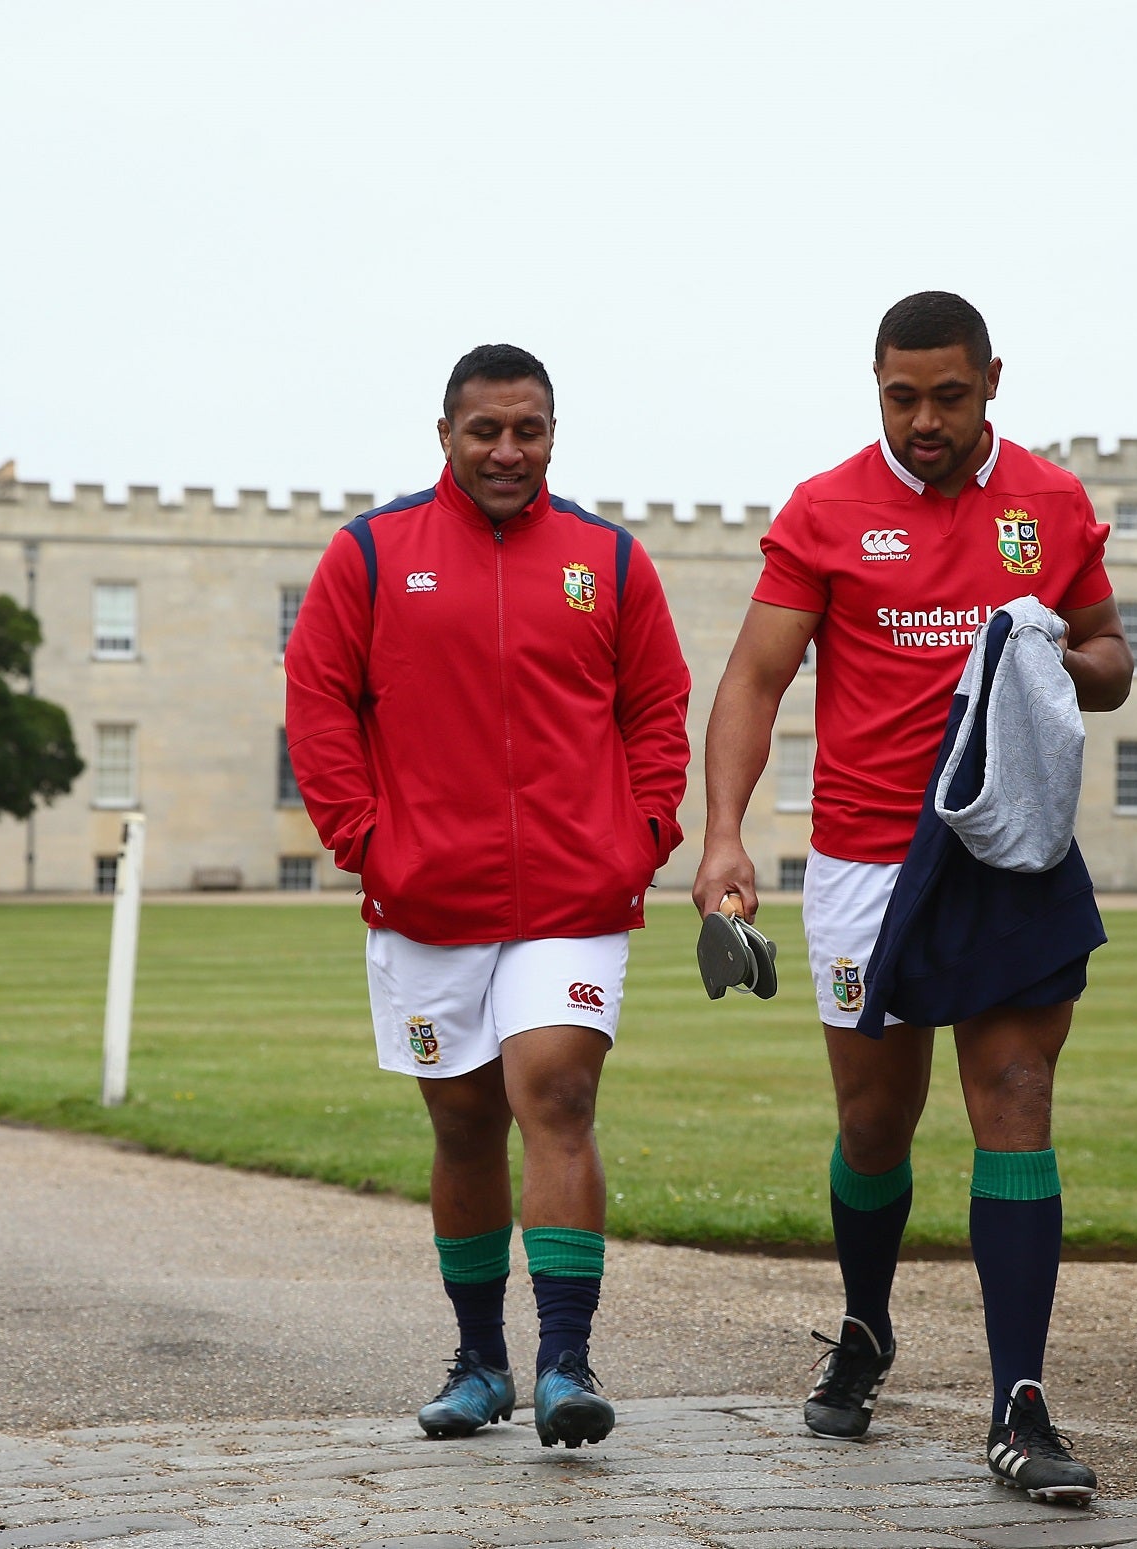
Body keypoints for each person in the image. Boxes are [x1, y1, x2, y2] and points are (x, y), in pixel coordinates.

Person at [690, 293, 1132, 1503]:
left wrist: (1042, 641)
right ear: (874, 385)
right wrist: (722, 834)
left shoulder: (1050, 501)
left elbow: (1110, 663)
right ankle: (866, 1325)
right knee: (876, 1124)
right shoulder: (824, 508)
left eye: (948, 395)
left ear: (992, 379)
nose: (923, 420)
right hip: (866, 862)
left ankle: (1018, 1403)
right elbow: (751, 680)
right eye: (900, 397)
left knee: (1016, 1092)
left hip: (1010, 852)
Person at [285, 344, 690, 1449]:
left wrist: (644, 832)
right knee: (463, 1125)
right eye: (486, 431)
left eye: (530, 430)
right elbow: (317, 702)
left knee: (554, 1094)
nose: (508, 451)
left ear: (554, 434)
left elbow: (657, 705)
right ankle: (480, 1362)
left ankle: (566, 1361)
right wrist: (365, 840)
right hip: (425, 897)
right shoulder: (369, 554)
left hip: (572, 888)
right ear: (445, 435)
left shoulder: (606, 558)